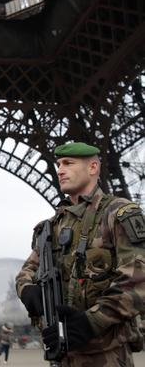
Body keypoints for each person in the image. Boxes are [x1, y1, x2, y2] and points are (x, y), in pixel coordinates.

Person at [15, 142, 145, 366]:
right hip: (63, 352)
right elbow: (26, 272)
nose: (60, 170)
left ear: (93, 167)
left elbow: (139, 279)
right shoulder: (51, 226)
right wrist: (28, 290)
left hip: (107, 354)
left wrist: (91, 321)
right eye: (58, 164)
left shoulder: (118, 213)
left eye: (68, 163)